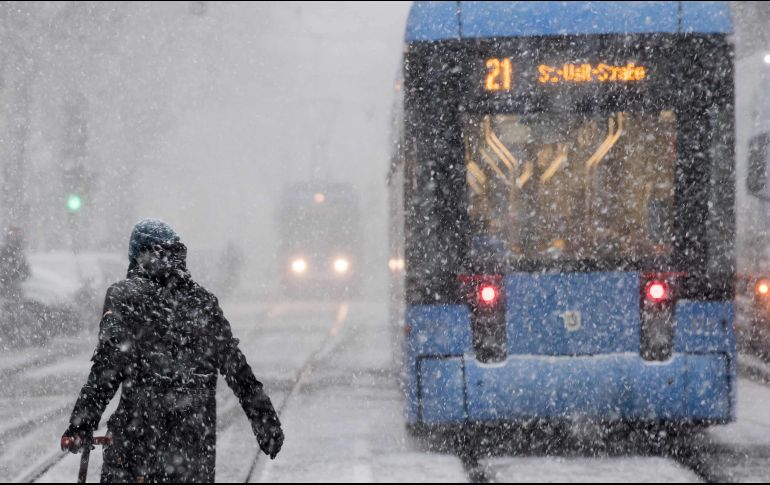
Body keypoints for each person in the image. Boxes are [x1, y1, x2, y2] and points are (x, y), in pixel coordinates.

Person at [61, 219, 283, 482]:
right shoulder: (203, 302)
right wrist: (265, 421)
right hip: (193, 447)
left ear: (135, 256)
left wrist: (81, 424)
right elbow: (237, 369)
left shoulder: (124, 296)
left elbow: (107, 367)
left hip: (136, 445)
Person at [0, 226, 30, 300]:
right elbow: (6, 272)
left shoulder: (19, 253)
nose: (18, 239)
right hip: (8, 292)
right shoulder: (5, 251)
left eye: (20, 236)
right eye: (16, 236)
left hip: (15, 293)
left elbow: (26, 272)